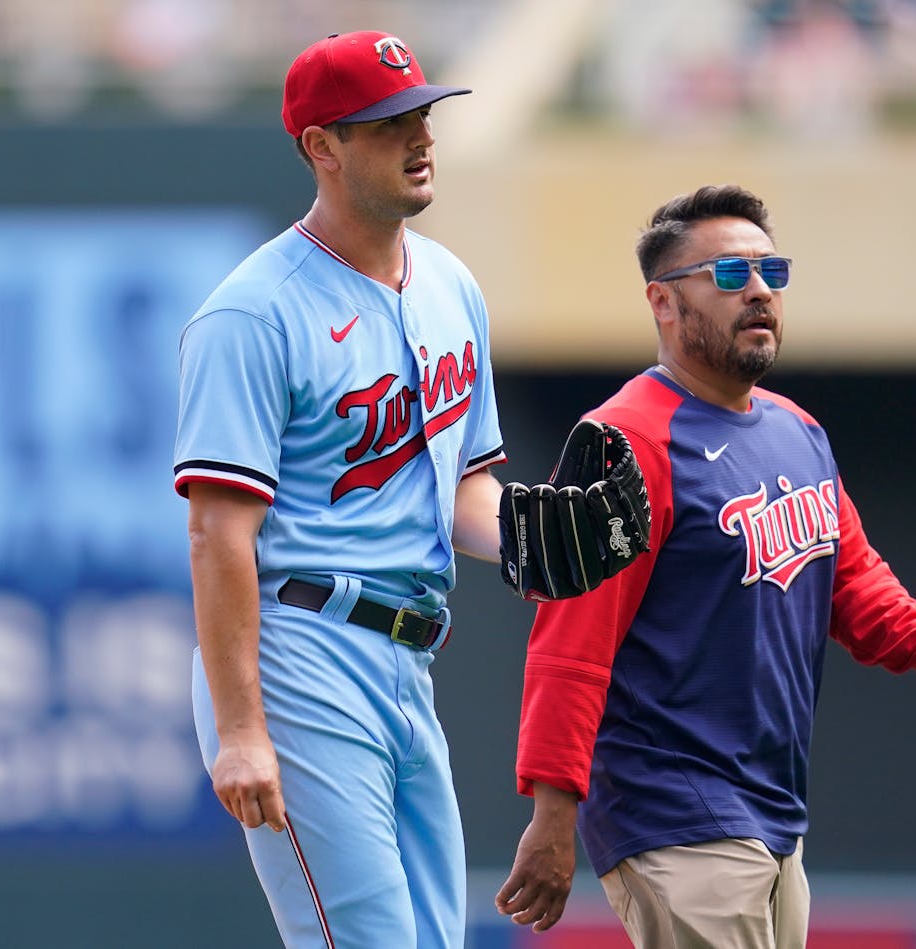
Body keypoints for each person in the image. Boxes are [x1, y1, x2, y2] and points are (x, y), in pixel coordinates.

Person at [173, 30, 648, 949]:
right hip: (301, 647)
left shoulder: (450, 285)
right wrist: (240, 729)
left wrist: (536, 530)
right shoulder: (252, 310)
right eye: (389, 123)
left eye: (422, 113)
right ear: (322, 146)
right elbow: (218, 534)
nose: (419, 135)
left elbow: (461, 488)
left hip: (408, 656)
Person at [493, 184, 916, 949]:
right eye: (731, 276)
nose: (761, 291)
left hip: (772, 814)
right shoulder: (623, 439)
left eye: (772, 273)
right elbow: (570, 645)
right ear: (664, 303)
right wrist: (552, 813)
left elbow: (858, 587)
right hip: (669, 808)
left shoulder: (798, 431)